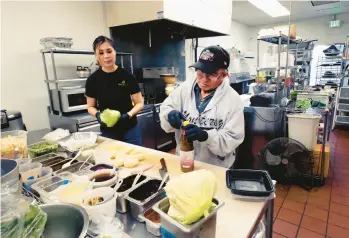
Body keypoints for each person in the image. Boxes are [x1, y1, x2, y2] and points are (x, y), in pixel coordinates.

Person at [160, 45, 244, 168]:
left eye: (212, 74)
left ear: (224, 74)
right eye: (200, 73)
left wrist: (206, 136)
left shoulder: (233, 100)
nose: (204, 80)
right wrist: (169, 115)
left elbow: (232, 138)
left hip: (215, 166)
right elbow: (166, 108)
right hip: (184, 160)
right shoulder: (184, 89)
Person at [85, 35, 144, 145]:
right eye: (101, 53)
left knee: (135, 158)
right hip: (108, 131)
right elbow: (90, 106)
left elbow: (140, 103)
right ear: (96, 56)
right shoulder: (92, 80)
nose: (106, 56)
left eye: (109, 51)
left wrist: (128, 115)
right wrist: (98, 115)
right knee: (112, 161)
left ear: (115, 52)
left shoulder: (127, 76)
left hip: (130, 129)